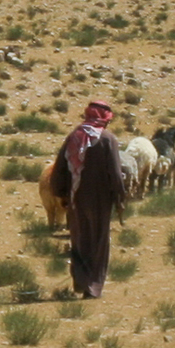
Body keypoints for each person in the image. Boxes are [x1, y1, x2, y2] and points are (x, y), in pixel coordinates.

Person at [60, 100, 124, 299]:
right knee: (98, 242)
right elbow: (115, 172)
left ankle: (80, 280)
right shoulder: (107, 139)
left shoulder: (74, 136)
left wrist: (63, 194)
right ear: (105, 119)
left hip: (75, 199)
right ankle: (93, 287)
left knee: (80, 241)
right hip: (99, 200)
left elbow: (60, 167)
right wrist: (120, 197)